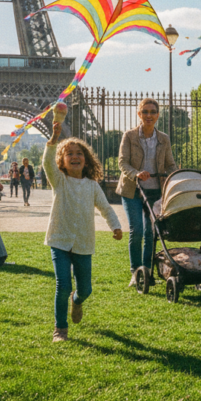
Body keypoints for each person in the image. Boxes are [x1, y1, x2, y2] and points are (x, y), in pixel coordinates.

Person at [43, 122, 123, 342]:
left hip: (84, 243)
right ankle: (60, 329)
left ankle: (76, 301)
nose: (75, 157)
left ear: (86, 160)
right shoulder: (59, 181)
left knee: (85, 289)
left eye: (79, 153)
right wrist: (53, 140)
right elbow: (46, 163)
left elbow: (106, 208)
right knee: (63, 284)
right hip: (59, 240)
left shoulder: (92, 186)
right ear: (62, 161)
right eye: (69, 154)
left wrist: (115, 226)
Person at [117, 97, 177, 287]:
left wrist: (176, 177)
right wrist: (136, 173)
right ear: (139, 114)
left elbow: (170, 164)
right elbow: (122, 162)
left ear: (158, 115)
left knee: (151, 233)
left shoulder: (164, 139)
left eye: (152, 112)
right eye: (145, 112)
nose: (149, 115)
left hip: (155, 192)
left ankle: (147, 270)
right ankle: (135, 272)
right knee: (137, 231)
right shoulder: (130, 136)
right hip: (133, 190)